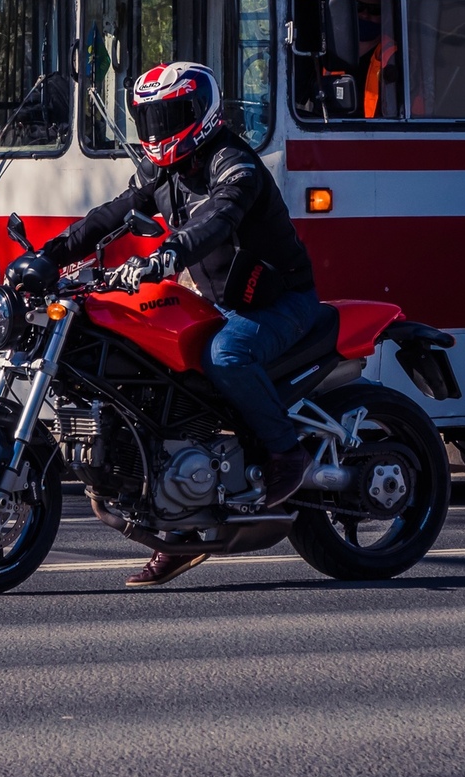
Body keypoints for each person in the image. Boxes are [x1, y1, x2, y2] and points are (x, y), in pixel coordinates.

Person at [41, 61, 320, 588]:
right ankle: (175, 527)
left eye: (170, 116)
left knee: (225, 356)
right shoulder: (162, 171)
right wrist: (48, 257)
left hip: (278, 304)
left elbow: (217, 220)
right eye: (149, 119)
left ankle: (287, 453)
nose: (158, 131)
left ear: (201, 112)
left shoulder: (234, 164)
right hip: (220, 304)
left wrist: (166, 256)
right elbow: (113, 214)